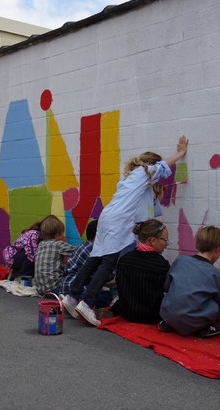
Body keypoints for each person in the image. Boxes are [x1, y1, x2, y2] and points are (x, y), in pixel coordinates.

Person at [62, 135, 188, 326]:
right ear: (151, 166)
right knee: (109, 262)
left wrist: (157, 196)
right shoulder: (145, 172)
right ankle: (87, 303)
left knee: (96, 257)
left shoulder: (133, 180)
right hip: (118, 221)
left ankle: (71, 297)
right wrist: (180, 152)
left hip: (108, 217)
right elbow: (162, 166)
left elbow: (145, 211)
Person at [158, 226, 220, 338]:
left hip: (168, 315)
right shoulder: (214, 273)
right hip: (195, 319)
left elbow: (167, 286)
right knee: (217, 302)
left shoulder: (180, 260)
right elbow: (219, 300)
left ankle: (170, 323)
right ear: (217, 249)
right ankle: (203, 328)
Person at [113, 219, 171, 323]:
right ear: (153, 240)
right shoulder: (161, 264)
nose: (167, 244)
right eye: (165, 239)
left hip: (127, 313)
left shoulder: (125, 259)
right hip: (151, 316)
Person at [2, 215, 54, 280]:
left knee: (35, 257)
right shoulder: (34, 234)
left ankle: (18, 272)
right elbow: (32, 253)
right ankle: (22, 276)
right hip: (12, 257)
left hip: (19, 257)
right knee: (32, 256)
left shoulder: (42, 237)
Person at [33, 216, 75, 296]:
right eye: (62, 233)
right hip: (55, 288)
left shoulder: (41, 244)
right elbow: (78, 252)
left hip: (40, 289)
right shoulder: (59, 244)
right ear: (57, 234)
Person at [60, 219, 98, 297]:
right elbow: (98, 275)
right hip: (75, 287)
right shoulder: (92, 251)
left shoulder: (84, 245)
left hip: (66, 285)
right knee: (105, 297)